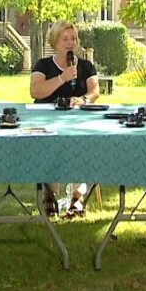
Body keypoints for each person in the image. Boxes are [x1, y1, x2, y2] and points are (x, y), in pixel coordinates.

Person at [29, 21, 100, 217]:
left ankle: (77, 197)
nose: (70, 43)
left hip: (77, 123)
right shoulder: (43, 65)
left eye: (73, 39)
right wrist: (63, 78)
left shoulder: (85, 66)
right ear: (54, 41)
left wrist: (83, 99)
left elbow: (94, 91)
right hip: (47, 124)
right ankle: (49, 196)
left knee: (82, 146)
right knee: (50, 148)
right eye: (65, 39)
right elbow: (35, 90)